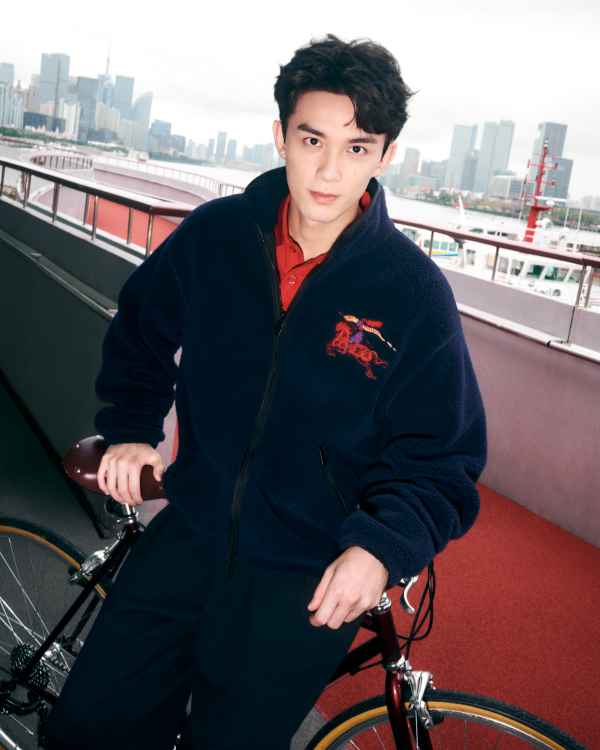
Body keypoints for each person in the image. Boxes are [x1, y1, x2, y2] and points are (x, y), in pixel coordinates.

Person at [45, 34, 486, 750]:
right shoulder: (218, 234)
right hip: (190, 528)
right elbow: (141, 328)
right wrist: (130, 427)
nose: (329, 170)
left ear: (385, 156)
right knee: (89, 729)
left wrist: (379, 548)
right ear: (281, 135)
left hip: (304, 576)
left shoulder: (412, 292)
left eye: (356, 147)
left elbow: (442, 456)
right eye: (313, 139)